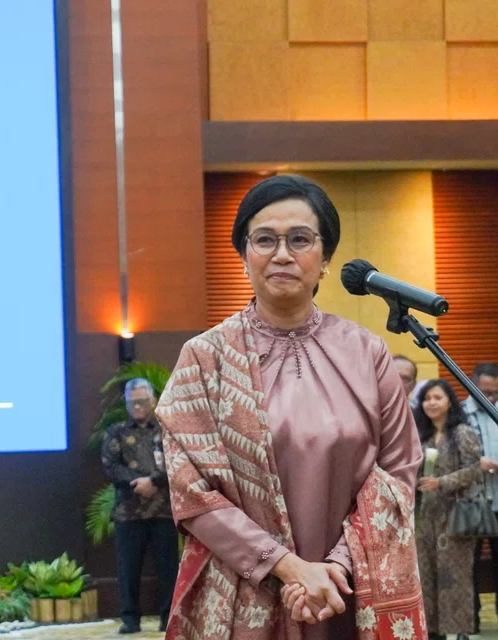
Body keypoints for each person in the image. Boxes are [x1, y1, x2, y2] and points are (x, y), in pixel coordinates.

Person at [155, 174, 424, 639]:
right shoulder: (206, 358)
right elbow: (191, 493)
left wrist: (334, 567)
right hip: (246, 586)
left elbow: (398, 471)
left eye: (300, 239)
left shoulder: (366, 352)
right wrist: (288, 567)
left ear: (324, 259)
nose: (282, 254)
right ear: (244, 256)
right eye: (264, 240)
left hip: (350, 589)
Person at [101, 378, 179, 634]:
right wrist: (137, 483)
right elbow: (110, 465)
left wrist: (154, 481)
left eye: (142, 401)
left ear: (153, 401)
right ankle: (130, 619)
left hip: (164, 511)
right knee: (128, 569)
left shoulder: (168, 429)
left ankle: (168, 618)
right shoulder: (116, 431)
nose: (137, 406)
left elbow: (179, 461)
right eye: (132, 402)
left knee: (168, 568)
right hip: (128, 512)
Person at [414, 379, 481, 640]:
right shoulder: (424, 435)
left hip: (454, 516)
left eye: (437, 398)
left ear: (450, 402)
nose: (431, 403)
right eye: (427, 398)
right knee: (427, 577)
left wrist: (441, 482)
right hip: (425, 517)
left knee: (454, 578)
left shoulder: (462, 432)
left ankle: (459, 632)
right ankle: (432, 632)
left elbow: (474, 470)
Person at [462, 363, 498, 632]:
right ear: (472, 385)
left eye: (495, 393)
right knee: (468, 566)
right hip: (469, 503)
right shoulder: (458, 415)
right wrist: (476, 464)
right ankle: (470, 625)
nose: (490, 398)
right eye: (484, 392)